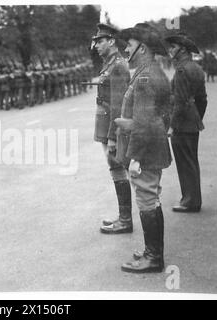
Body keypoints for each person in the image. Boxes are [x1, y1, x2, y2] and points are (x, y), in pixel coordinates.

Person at [115, 23, 172, 273]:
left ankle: (153, 258)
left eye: (129, 44)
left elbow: (146, 123)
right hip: (152, 144)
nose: (125, 49)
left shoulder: (146, 76)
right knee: (152, 199)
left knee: (147, 199)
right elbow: (163, 116)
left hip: (145, 148)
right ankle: (153, 252)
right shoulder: (148, 71)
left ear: (142, 47)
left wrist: (135, 156)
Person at [89, 24, 132, 235]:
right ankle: (123, 217)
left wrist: (114, 136)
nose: (96, 45)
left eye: (100, 41)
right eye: (96, 41)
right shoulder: (109, 64)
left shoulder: (118, 66)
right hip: (105, 123)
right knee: (114, 166)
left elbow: (118, 104)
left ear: (112, 41)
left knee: (117, 165)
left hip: (111, 126)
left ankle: (125, 220)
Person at [164, 32, 207, 213]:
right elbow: (203, 99)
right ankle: (192, 199)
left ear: (182, 49)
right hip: (192, 122)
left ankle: (189, 201)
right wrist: (196, 117)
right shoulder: (196, 68)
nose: (170, 50)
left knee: (184, 162)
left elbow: (180, 102)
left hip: (181, 124)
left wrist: (173, 125)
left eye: (173, 47)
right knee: (191, 162)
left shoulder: (181, 70)